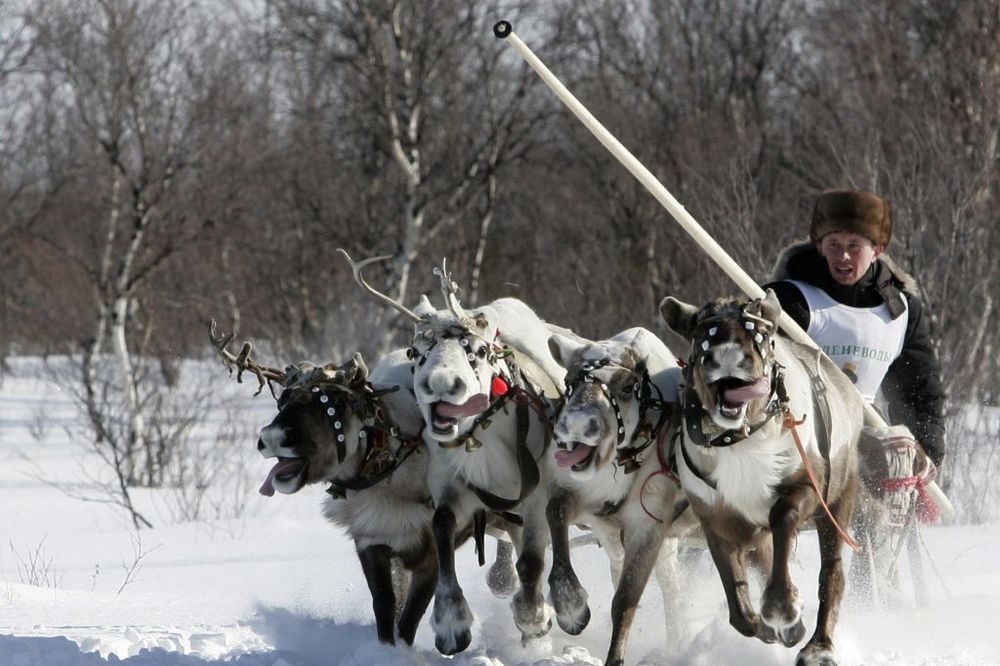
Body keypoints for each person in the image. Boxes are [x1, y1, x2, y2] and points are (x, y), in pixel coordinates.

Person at [763, 189, 948, 604]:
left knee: (896, 448)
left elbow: (920, 390)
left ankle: (877, 594)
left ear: (878, 249)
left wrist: (928, 450)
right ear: (818, 246)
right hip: (791, 432)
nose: (842, 258)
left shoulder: (900, 311)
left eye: (854, 246)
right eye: (833, 246)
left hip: (859, 432)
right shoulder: (790, 299)